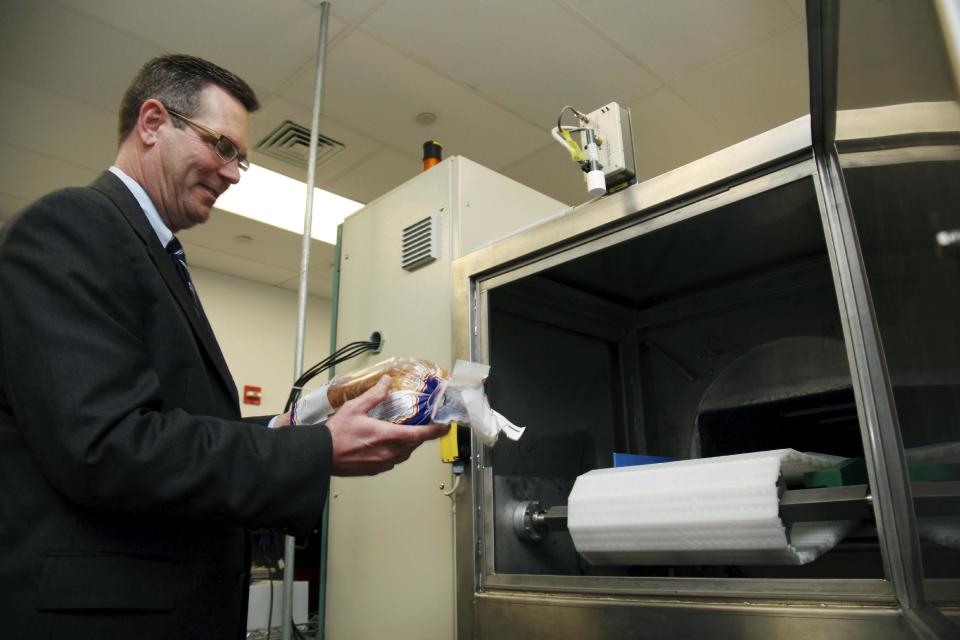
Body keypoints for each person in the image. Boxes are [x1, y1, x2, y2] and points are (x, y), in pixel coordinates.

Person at [0, 54, 447, 639]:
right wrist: (314, 452)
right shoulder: (73, 224)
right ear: (154, 122)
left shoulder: (153, 255)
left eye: (242, 159)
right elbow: (107, 446)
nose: (235, 173)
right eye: (222, 146)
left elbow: (169, 424)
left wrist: (280, 433)